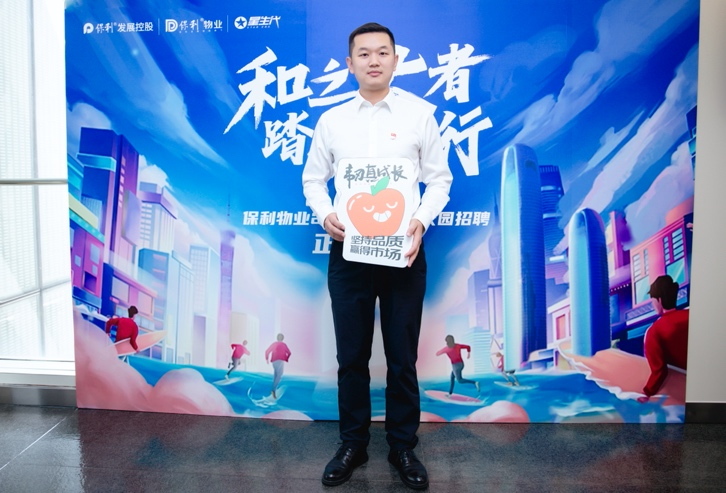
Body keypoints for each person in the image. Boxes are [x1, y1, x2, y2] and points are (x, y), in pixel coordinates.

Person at [302, 22, 452, 490]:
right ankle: (353, 443)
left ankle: (403, 445)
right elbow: (313, 179)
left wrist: (420, 221)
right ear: (350, 64)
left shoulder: (420, 115)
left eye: (382, 52)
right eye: (364, 54)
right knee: (352, 356)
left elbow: (440, 179)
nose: (373, 61)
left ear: (395, 60)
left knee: (402, 357)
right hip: (349, 253)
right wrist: (326, 214)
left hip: (403, 251)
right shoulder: (332, 120)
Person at [637, 275, 689, 403]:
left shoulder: (654, 331)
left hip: (680, 395)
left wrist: (647, 392)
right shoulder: (691, 316)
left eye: (652, 301)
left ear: (659, 300)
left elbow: (659, 371)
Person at [264, 333, 291, 399]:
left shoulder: (274, 344)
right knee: (279, 375)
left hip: (274, 361)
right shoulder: (283, 344)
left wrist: (267, 359)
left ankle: (273, 389)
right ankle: (273, 390)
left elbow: (267, 351)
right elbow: (289, 353)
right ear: (282, 338)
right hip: (280, 360)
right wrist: (286, 358)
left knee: (276, 375)